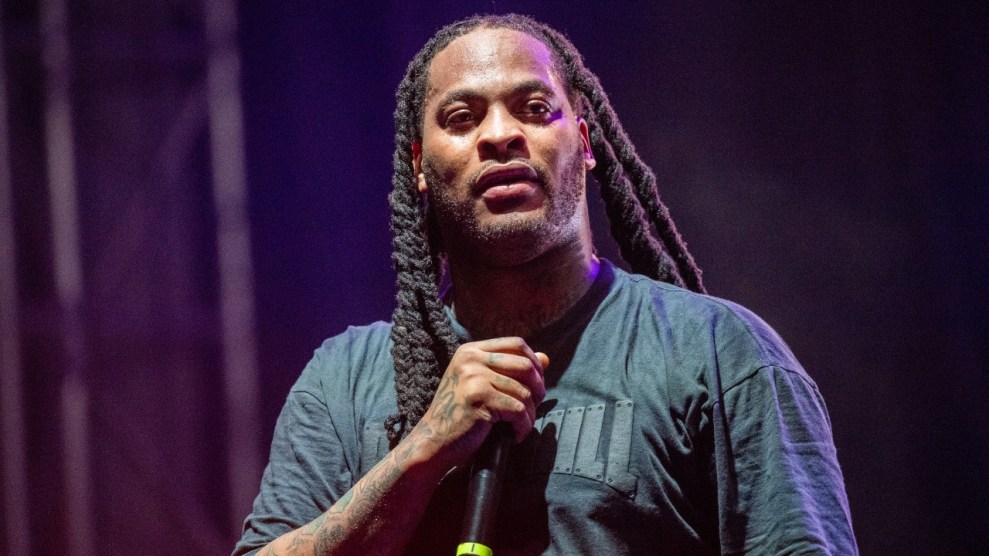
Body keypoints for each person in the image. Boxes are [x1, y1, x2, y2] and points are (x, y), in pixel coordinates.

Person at [234, 13, 857, 556]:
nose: (500, 134)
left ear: (584, 142)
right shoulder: (343, 382)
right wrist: (419, 455)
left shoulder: (719, 354)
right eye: (462, 117)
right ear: (419, 164)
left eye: (535, 109)